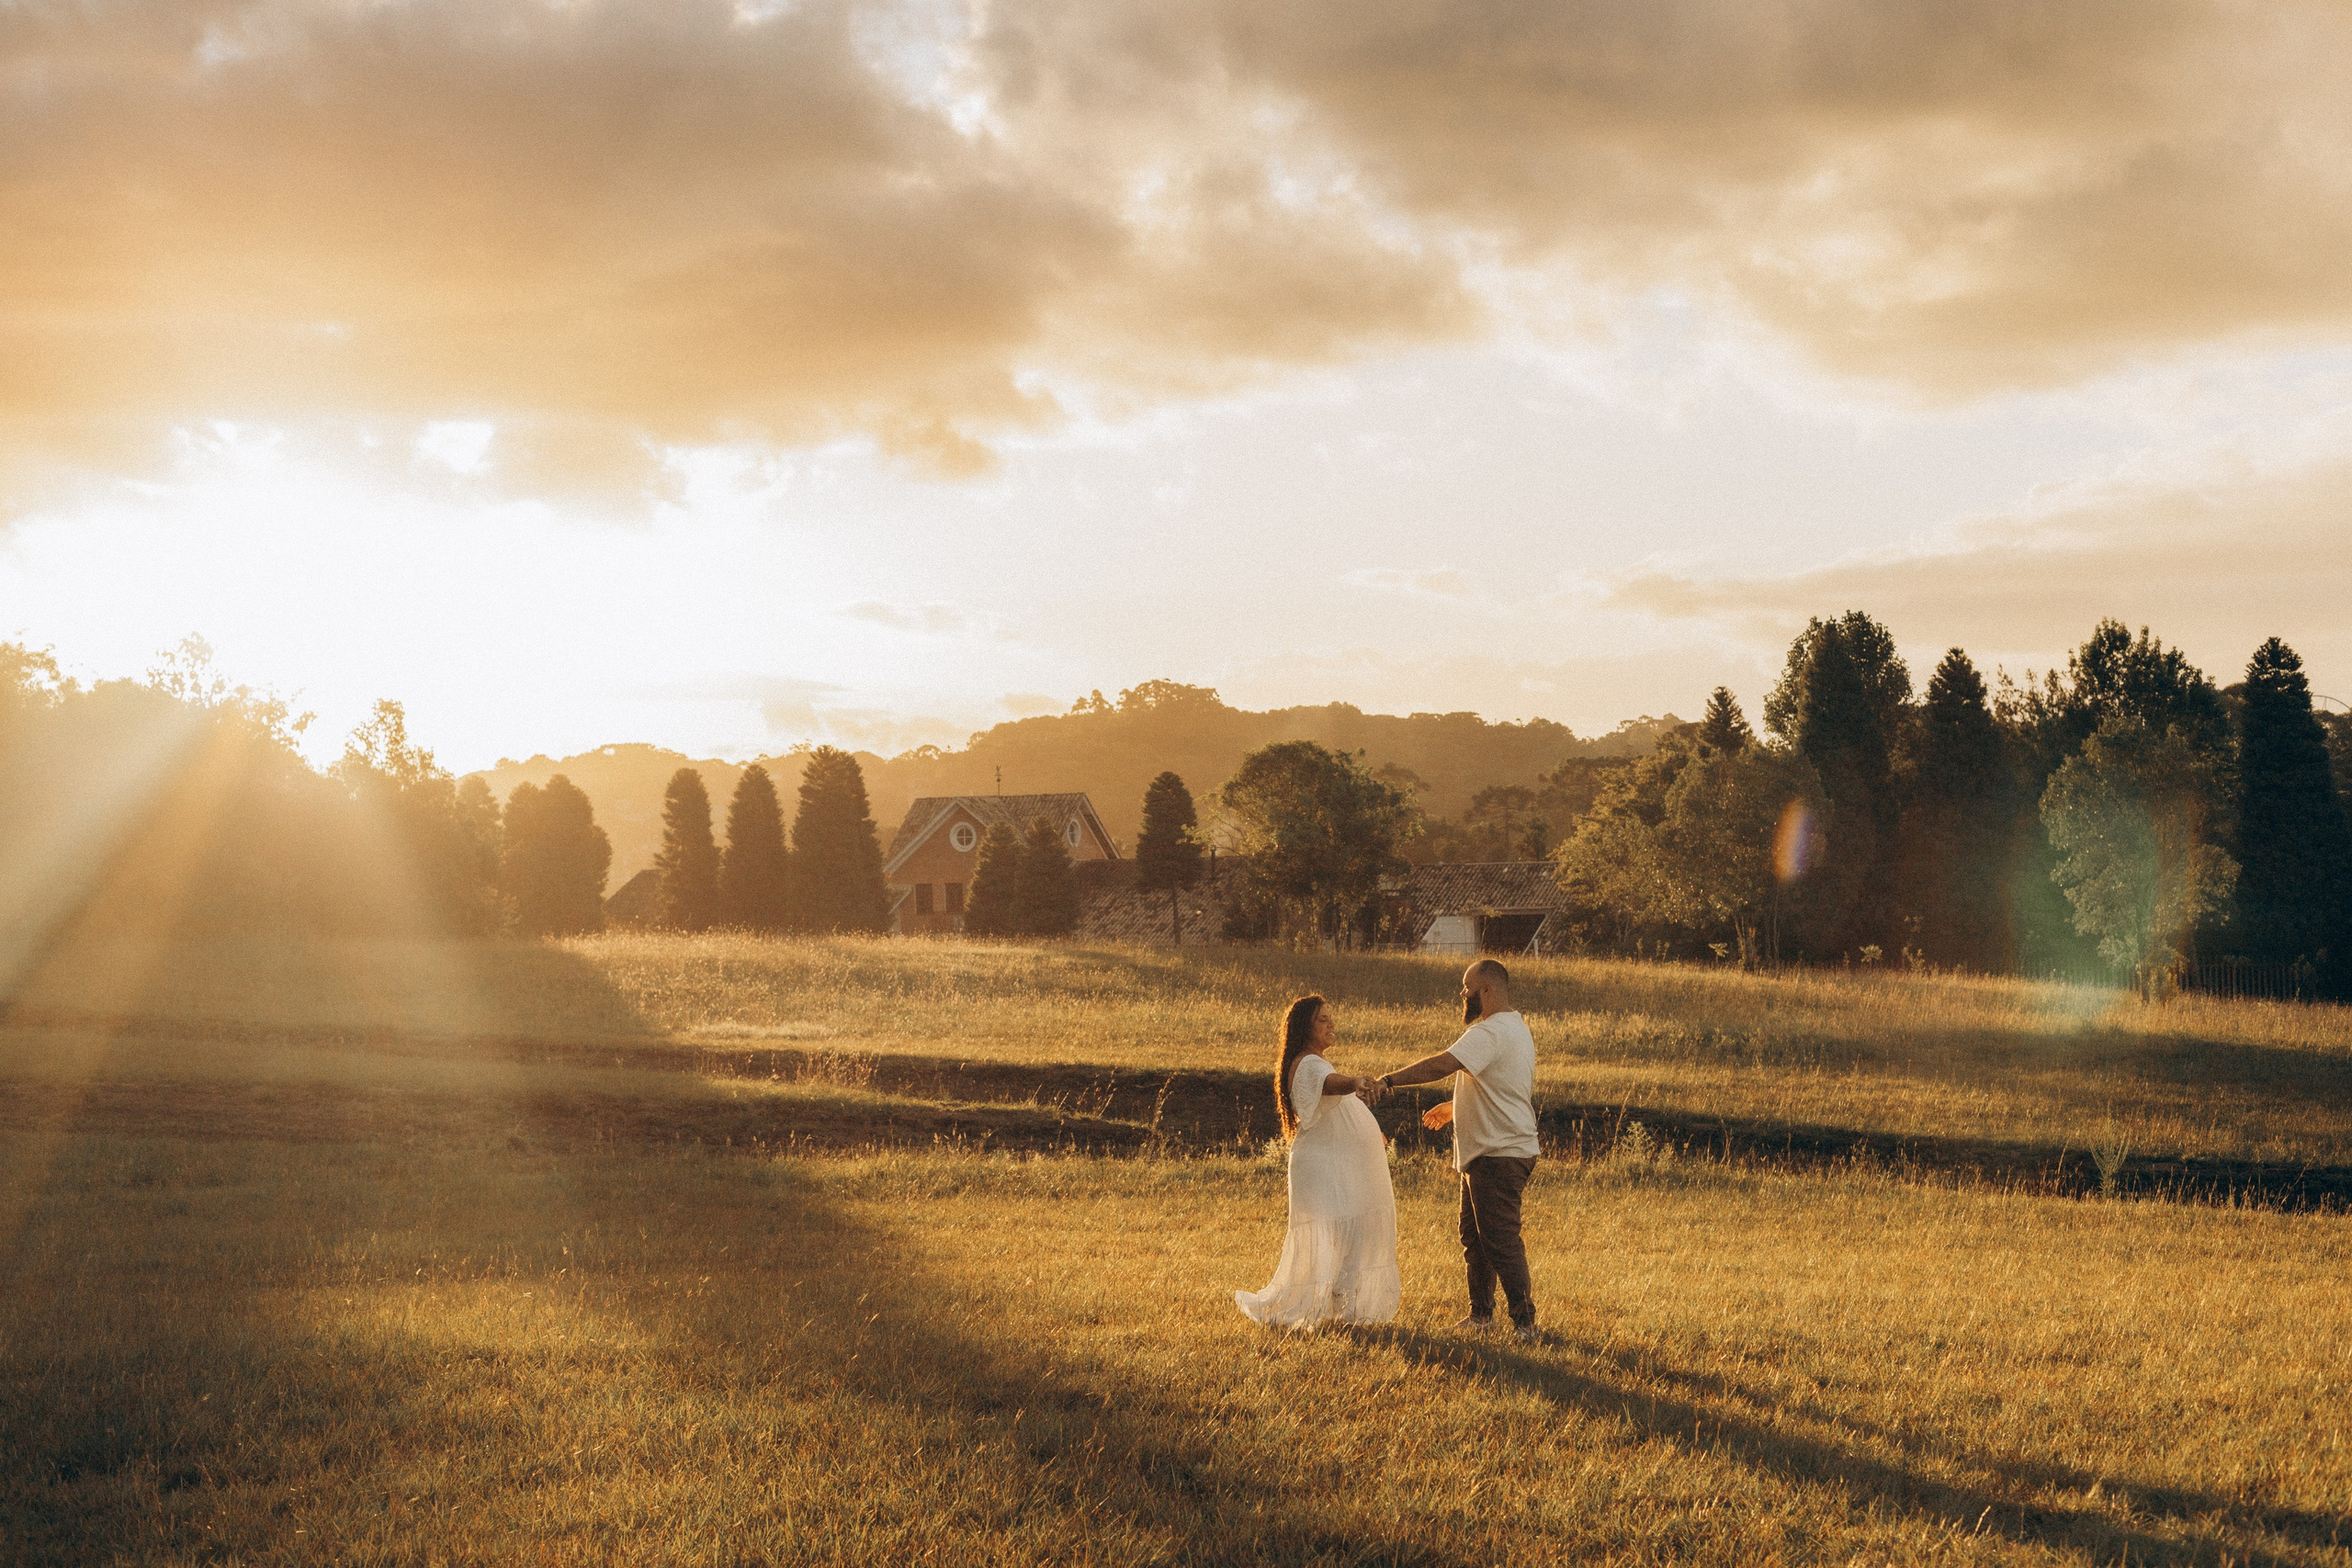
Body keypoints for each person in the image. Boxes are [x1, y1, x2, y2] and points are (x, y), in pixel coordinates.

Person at [1371, 959, 1540, 1340]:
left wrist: (1389, 1081)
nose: (1462, 994)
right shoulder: (1515, 1026)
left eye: (1467, 987)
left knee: (1500, 1239)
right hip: (1489, 1152)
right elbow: (1503, 1082)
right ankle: (1481, 1316)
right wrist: (1455, 1106)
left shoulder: (1490, 1032)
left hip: (1500, 1153)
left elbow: (1442, 1065)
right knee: (1476, 1237)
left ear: (1486, 991)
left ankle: (1526, 1324)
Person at [1235, 994, 1400, 1329]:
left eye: (1330, 1018)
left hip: (1337, 1165)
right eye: (1322, 1020)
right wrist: (1354, 1082)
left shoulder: (1313, 1061)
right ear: (1304, 1028)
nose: (1331, 1024)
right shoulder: (1310, 1065)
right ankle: (1325, 1309)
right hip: (1326, 1168)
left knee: (1348, 1235)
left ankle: (1342, 1309)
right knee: (1333, 1236)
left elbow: (1335, 1106)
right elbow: (1330, 1085)